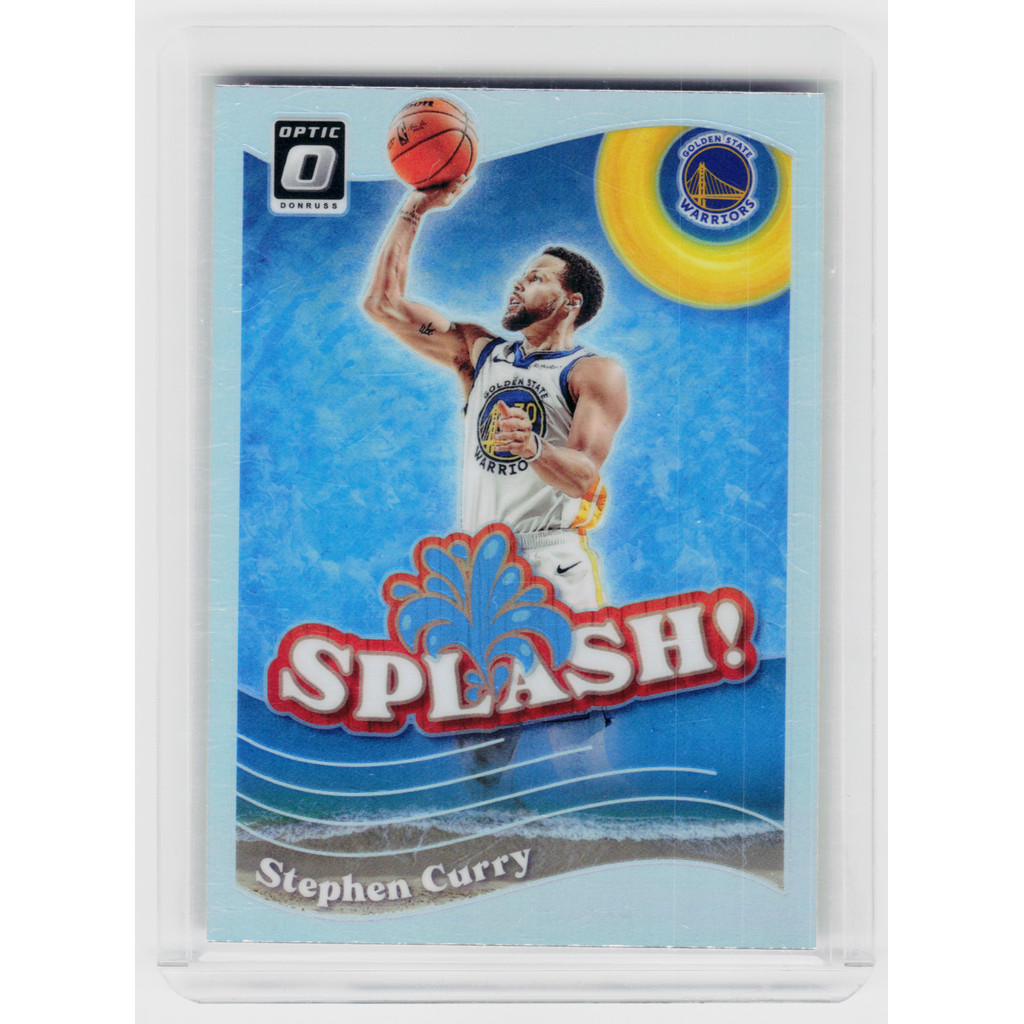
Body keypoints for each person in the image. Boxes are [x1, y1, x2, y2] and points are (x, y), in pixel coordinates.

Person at [362, 174, 628, 614]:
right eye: (521, 276)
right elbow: (382, 304)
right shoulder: (478, 353)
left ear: (571, 302)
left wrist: (534, 447)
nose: (518, 284)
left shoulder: (595, 372)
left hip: (550, 559)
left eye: (537, 278)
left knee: (565, 664)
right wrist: (414, 209)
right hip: (479, 561)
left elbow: (582, 477)